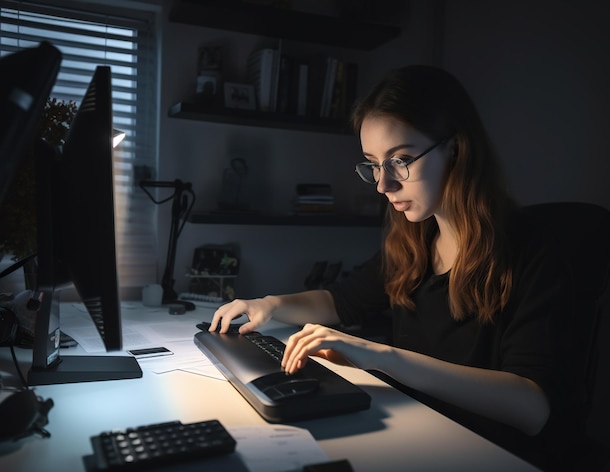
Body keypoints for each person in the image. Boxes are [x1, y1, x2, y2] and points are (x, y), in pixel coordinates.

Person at [210, 65, 581, 470]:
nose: (383, 185)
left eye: (401, 160)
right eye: (373, 163)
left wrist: (382, 356)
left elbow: (531, 408)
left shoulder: (533, 249)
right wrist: (270, 304)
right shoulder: (412, 240)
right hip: (418, 433)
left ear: (456, 149)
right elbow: (340, 301)